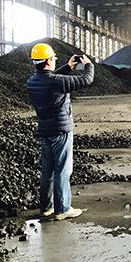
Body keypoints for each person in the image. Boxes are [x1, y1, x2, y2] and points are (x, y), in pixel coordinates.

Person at [26, 43, 94, 221]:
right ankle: (63, 209)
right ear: (48, 61)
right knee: (63, 170)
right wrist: (88, 65)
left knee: (47, 171)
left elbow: (50, 78)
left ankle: (46, 208)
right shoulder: (57, 82)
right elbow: (86, 80)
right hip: (61, 131)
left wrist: (68, 67)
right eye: (53, 59)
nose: (54, 61)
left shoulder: (32, 82)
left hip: (45, 130)